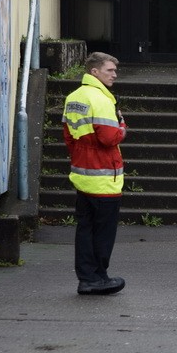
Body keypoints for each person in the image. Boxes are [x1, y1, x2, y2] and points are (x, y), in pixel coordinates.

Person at [63, 51, 128, 295]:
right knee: (103, 232)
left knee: (85, 229)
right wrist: (122, 126)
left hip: (82, 175)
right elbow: (109, 137)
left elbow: (69, 136)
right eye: (110, 70)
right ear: (95, 72)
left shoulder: (74, 97)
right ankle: (98, 277)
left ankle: (86, 277)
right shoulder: (101, 99)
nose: (115, 74)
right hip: (104, 178)